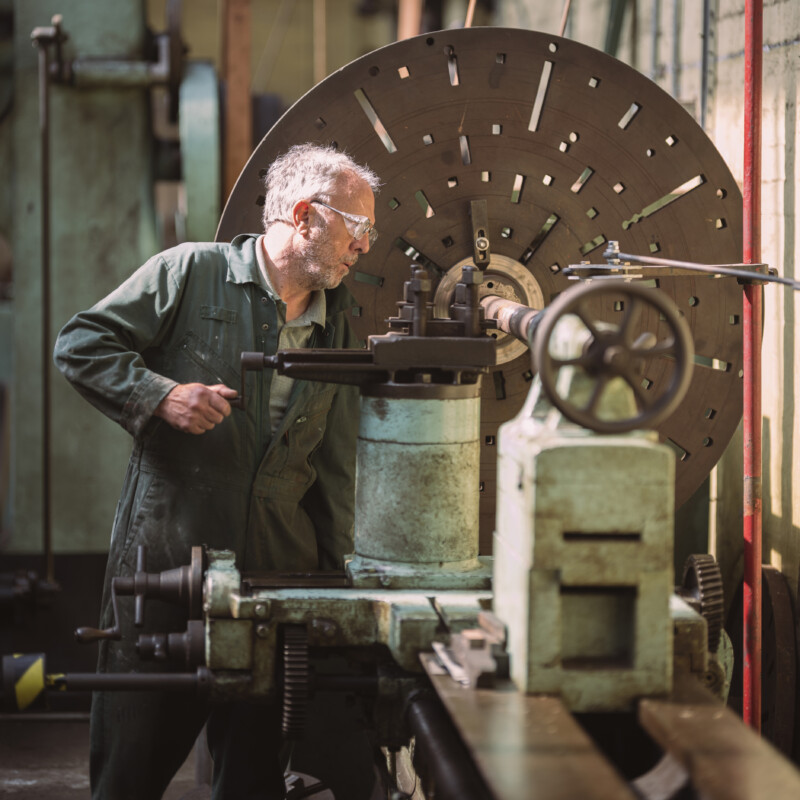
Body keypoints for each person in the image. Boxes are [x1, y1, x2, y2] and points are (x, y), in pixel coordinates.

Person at [53, 143, 381, 799]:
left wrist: (339, 597)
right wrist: (161, 396)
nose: (365, 246)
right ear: (304, 215)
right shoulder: (190, 272)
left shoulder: (339, 328)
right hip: (167, 572)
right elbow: (81, 344)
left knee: (252, 782)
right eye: (357, 226)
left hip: (277, 591)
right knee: (127, 775)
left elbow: (334, 473)